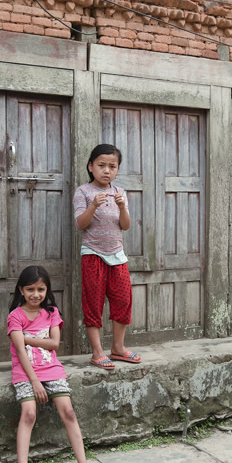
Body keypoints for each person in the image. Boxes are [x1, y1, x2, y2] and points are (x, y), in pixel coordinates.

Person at [7, 265, 89, 463]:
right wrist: (33, 380)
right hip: (25, 371)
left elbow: (54, 344)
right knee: (29, 413)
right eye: (30, 289)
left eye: (41, 289)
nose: (36, 294)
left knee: (69, 412)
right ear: (21, 290)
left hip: (51, 368)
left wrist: (27, 338)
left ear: (47, 290)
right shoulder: (15, 316)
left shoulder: (51, 313)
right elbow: (20, 351)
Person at [72, 144, 141, 370]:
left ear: (117, 170)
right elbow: (81, 224)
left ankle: (118, 348)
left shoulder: (120, 192)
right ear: (91, 167)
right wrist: (93, 205)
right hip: (93, 255)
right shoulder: (83, 192)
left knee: (123, 300)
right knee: (93, 303)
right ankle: (97, 352)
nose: (106, 171)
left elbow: (125, 226)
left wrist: (123, 208)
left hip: (117, 256)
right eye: (101, 165)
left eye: (112, 166)